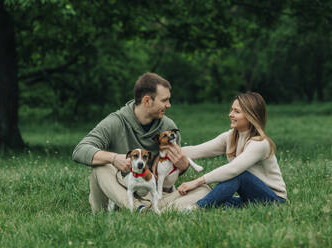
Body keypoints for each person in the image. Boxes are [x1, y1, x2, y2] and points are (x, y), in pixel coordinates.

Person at [72, 72, 210, 213]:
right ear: (147, 101)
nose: (169, 105)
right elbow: (80, 150)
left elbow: (168, 176)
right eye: (164, 100)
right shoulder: (116, 122)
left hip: (152, 196)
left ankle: (151, 212)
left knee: (204, 189)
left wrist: (182, 167)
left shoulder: (168, 128)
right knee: (101, 165)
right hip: (114, 196)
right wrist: (113, 158)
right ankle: (138, 208)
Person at [171, 92, 287, 209]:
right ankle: (175, 207)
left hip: (274, 201)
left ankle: (196, 209)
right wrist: (162, 152)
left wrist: (196, 182)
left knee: (239, 176)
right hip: (247, 199)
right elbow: (197, 151)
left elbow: (233, 169)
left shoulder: (260, 143)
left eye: (236, 111)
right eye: (231, 110)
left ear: (250, 115)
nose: (230, 114)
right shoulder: (230, 137)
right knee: (211, 196)